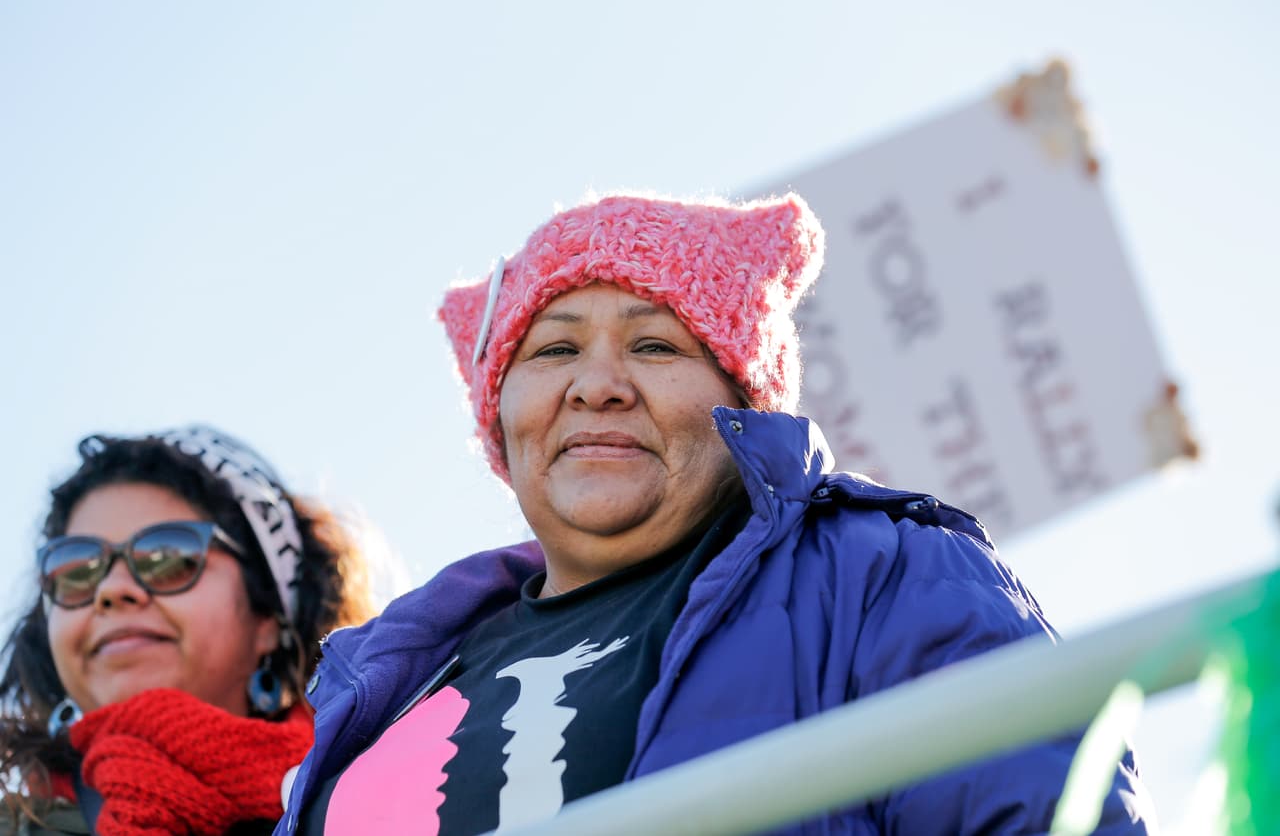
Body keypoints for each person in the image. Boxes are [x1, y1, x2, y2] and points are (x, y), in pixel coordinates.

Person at [280, 193, 1154, 834]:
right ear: (500, 418)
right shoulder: (390, 673)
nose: (598, 384)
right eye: (553, 349)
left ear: (744, 403)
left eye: (656, 344)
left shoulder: (877, 572)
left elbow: (1047, 812)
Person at [0, 425, 378, 836]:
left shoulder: (393, 795)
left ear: (267, 617)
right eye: (76, 569)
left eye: (167, 557)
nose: (110, 590)